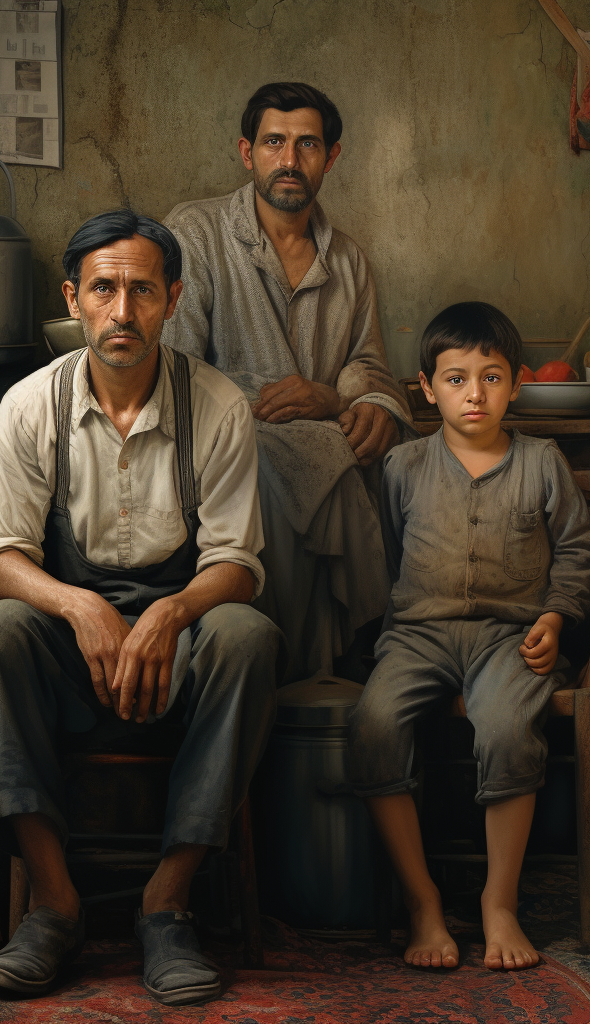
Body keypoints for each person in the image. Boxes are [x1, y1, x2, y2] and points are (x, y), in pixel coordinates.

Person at [0, 210, 281, 1006]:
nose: (123, 311)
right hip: (71, 656)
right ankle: (53, 903)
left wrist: (169, 616)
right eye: (104, 289)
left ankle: (167, 903)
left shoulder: (215, 405)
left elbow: (237, 565)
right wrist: (81, 609)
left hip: (183, 650)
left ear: (173, 299)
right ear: (74, 299)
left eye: (142, 290)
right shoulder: (30, 406)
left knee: (248, 637)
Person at [347, 302, 590, 970]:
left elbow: (577, 555)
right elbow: (393, 553)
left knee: (508, 728)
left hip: (511, 638)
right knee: (373, 723)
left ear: (515, 385)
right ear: (426, 388)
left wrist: (553, 619)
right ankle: (423, 903)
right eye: (456, 379)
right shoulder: (402, 468)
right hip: (418, 635)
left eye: (491, 377)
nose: (474, 393)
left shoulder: (543, 463)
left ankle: (499, 901)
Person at [162, 81, 414, 683]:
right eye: (275, 142)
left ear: (332, 157)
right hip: (222, 449)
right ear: (248, 153)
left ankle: (383, 669)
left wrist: (356, 401)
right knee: (279, 465)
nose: (290, 159)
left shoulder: (348, 260)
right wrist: (277, 408)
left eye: (307, 145)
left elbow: (371, 367)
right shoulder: (195, 234)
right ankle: (300, 680)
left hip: (328, 453)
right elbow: (172, 369)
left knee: (395, 460)